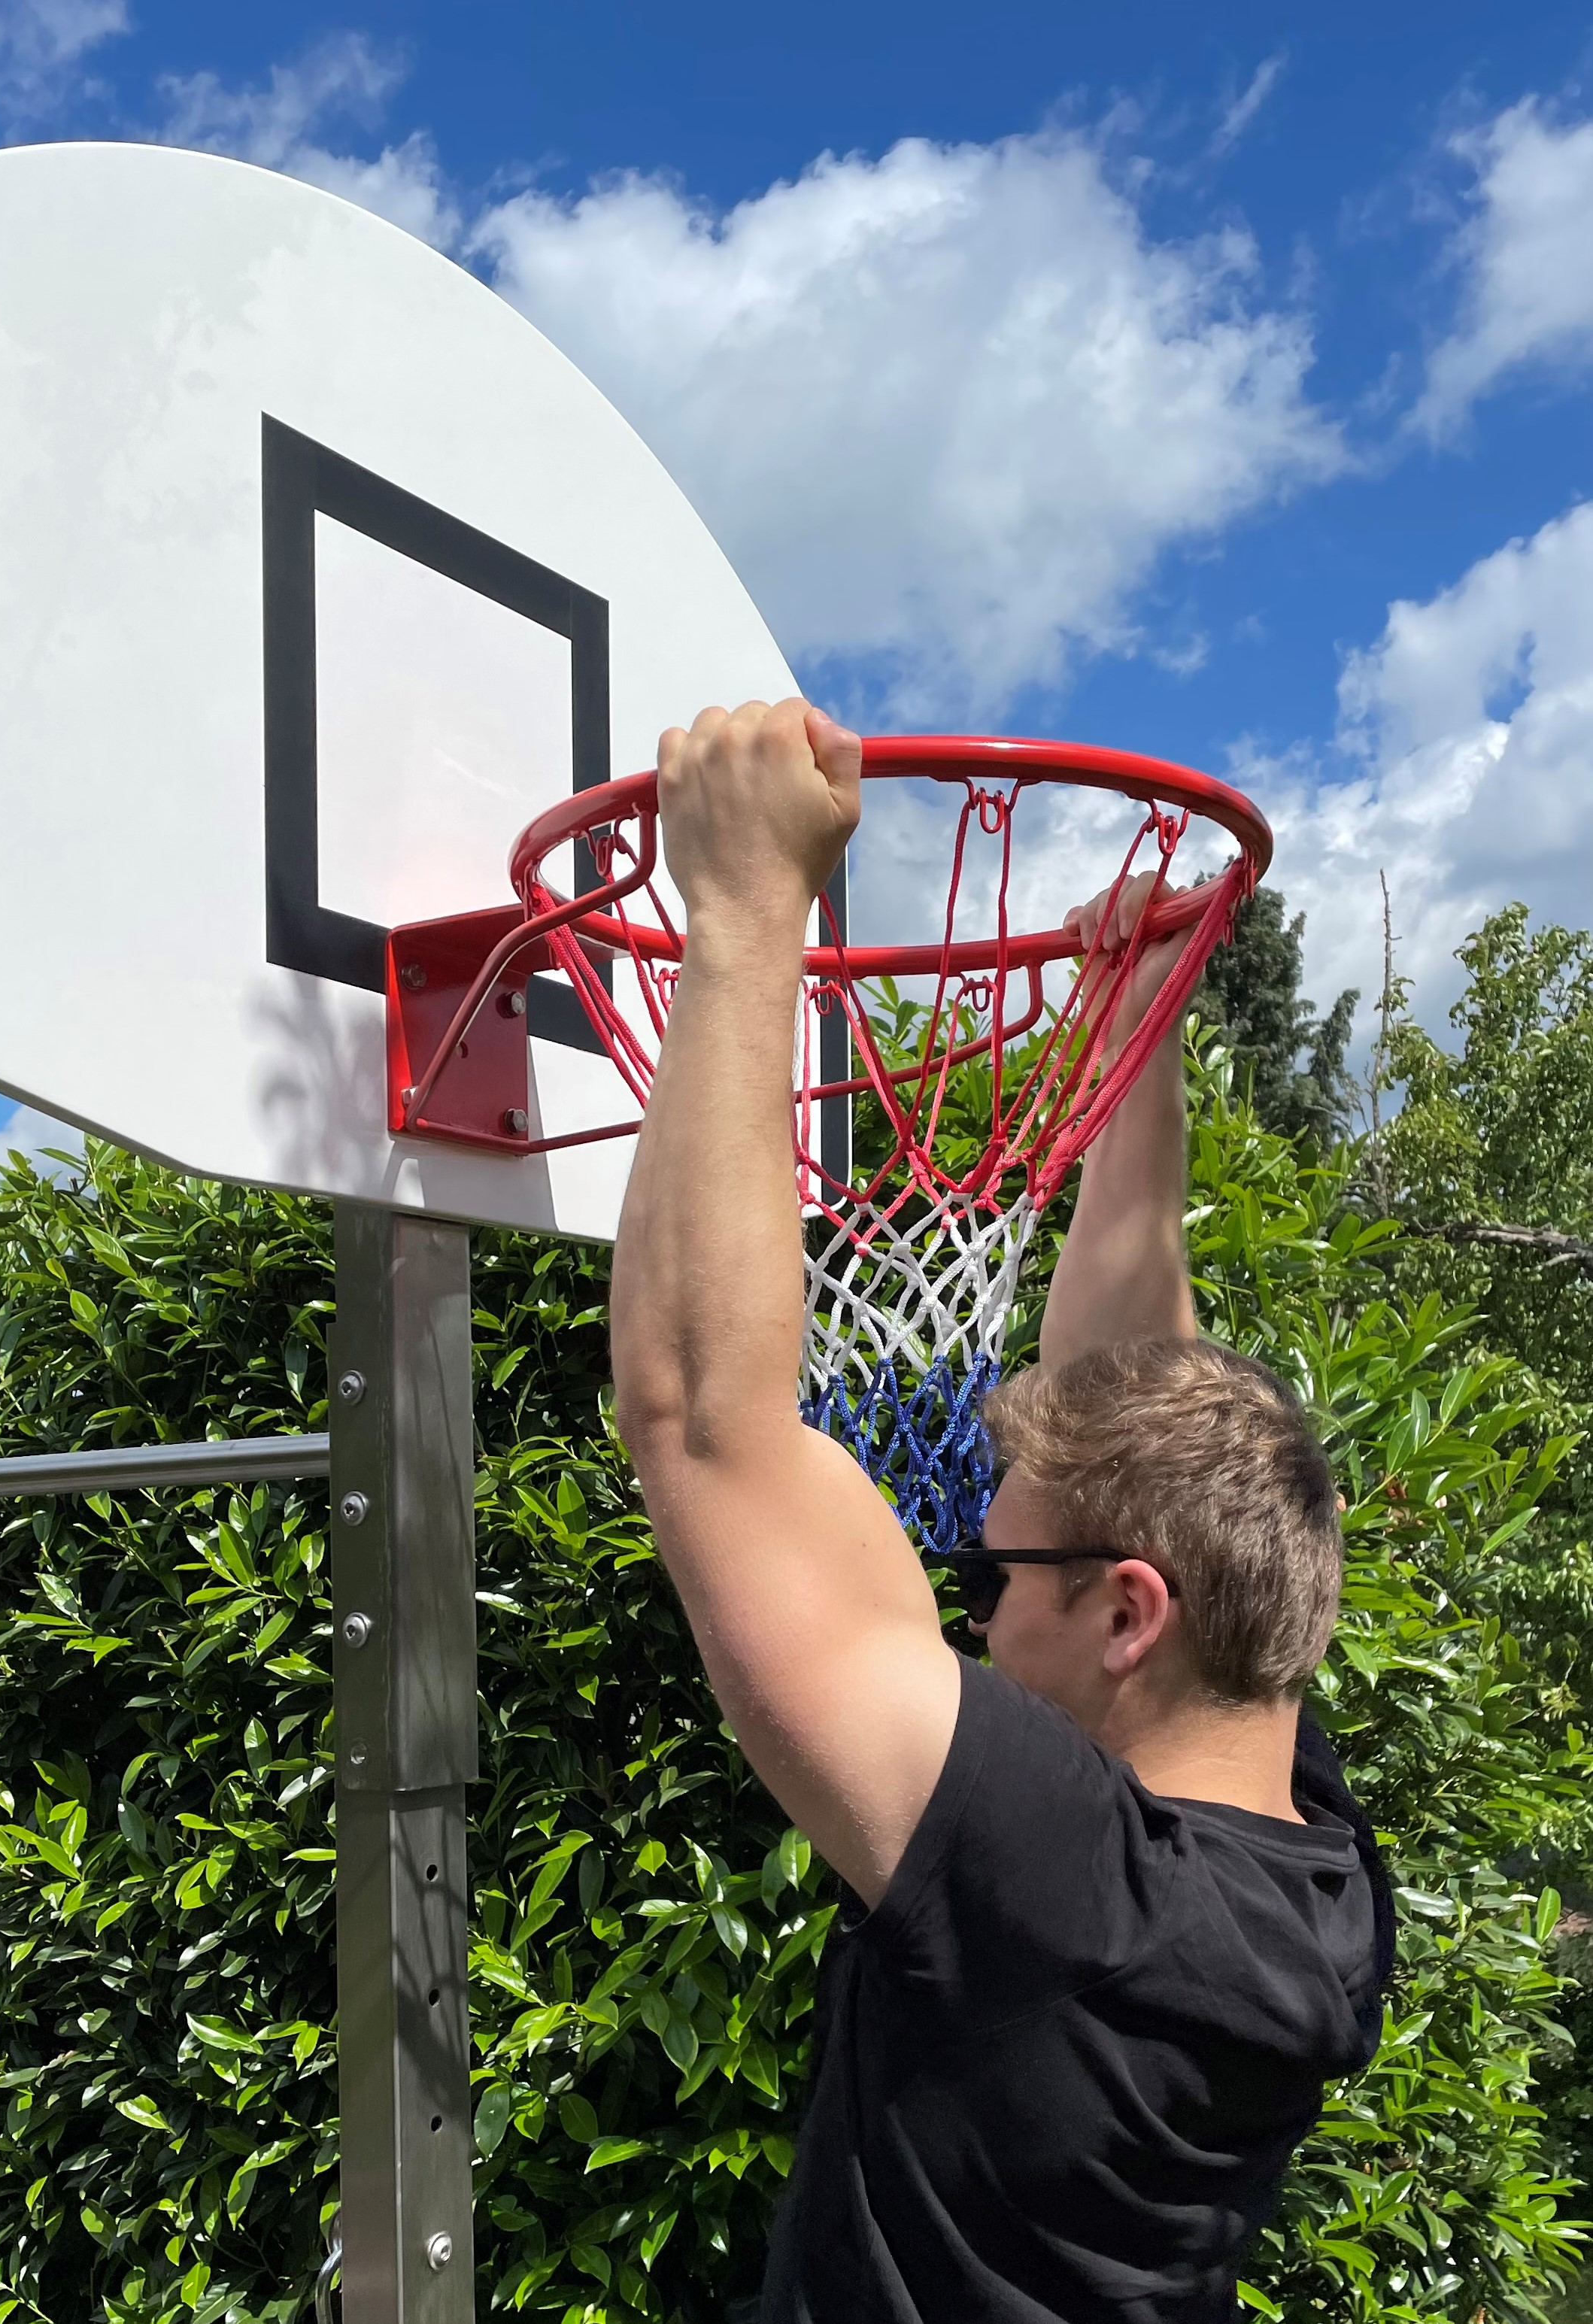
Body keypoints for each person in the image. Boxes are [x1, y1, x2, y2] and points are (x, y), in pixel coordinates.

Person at [609, 697, 1391, 2324]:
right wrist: (1137, 1034)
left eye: (994, 1567)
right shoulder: (1310, 1874)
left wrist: (748, 905)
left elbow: (702, 1420)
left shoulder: (1067, 1892)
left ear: (1129, 1610)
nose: (969, 1603)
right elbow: (1139, 1381)